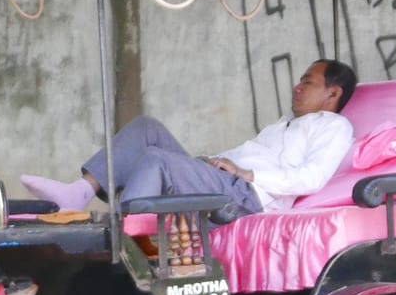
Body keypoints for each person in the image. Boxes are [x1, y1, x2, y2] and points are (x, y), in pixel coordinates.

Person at [22, 58, 359, 218]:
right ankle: (78, 193)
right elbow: (243, 155)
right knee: (146, 129)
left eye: (308, 82)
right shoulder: (285, 123)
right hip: (225, 180)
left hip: (249, 197)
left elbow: (312, 178)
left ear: (333, 93)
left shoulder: (333, 127)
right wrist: (210, 161)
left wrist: (247, 174)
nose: (297, 86)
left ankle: (128, 238)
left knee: (157, 160)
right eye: (300, 80)